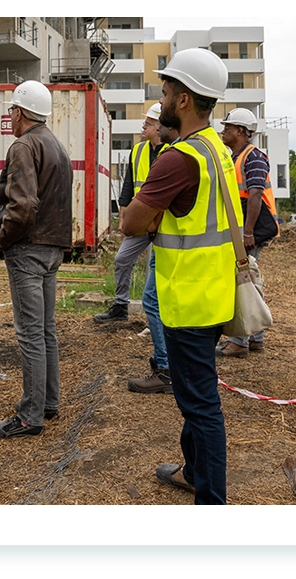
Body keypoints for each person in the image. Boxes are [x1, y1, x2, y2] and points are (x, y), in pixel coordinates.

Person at [121, 48, 238, 505]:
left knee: (200, 404)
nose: (163, 98)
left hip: (187, 299)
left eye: (167, 90)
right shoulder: (216, 149)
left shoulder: (178, 159)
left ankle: (211, 501)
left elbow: (131, 222)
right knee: (196, 395)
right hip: (211, 293)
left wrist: (149, 217)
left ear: (185, 99)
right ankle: (193, 471)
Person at [0, 81, 73, 439]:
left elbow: (21, 206)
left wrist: (4, 240)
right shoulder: (55, 145)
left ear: (20, 112)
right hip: (52, 248)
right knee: (45, 330)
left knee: (30, 333)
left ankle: (30, 415)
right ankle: (48, 403)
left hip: (28, 249)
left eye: (11, 111)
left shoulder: (23, 145)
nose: (10, 116)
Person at [215, 107, 280, 358]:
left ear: (241, 131)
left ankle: (239, 341)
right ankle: (255, 338)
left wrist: (248, 232)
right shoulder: (236, 157)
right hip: (245, 227)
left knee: (242, 281)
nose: (224, 131)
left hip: (252, 228)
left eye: (228, 128)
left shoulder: (253, 157)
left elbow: (254, 194)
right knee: (249, 280)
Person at [95, 103, 167, 324]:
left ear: (159, 126)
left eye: (148, 123)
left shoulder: (173, 151)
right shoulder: (138, 150)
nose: (143, 126)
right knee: (122, 258)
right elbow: (127, 188)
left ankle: (162, 314)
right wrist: (124, 217)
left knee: (162, 268)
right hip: (142, 219)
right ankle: (120, 305)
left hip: (165, 221)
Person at [125, 121, 178, 394]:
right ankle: (171, 366)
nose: (144, 126)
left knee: (153, 300)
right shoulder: (209, 150)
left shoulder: (176, 156)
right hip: (176, 245)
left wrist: (145, 221)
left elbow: (152, 212)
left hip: (171, 244)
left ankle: (166, 368)